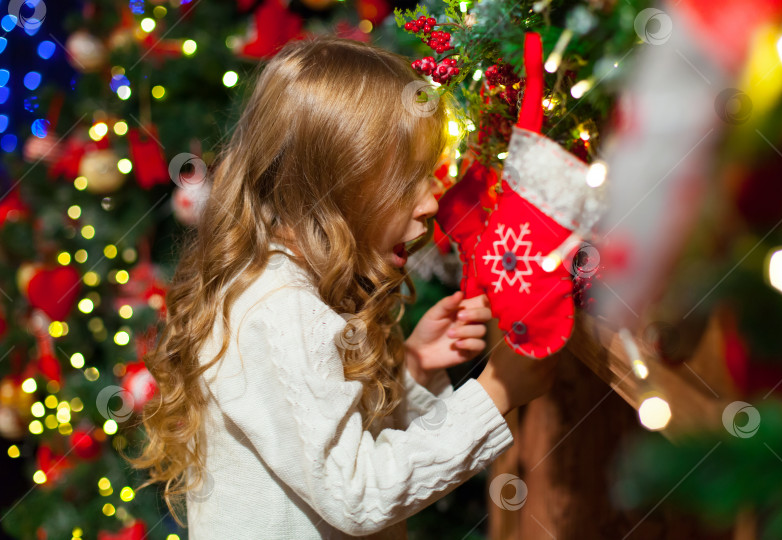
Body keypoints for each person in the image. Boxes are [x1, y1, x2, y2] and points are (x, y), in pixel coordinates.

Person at [128, 34, 556, 539]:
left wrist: (410, 375)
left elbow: (326, 447)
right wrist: (494, 393)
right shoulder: (282, 309)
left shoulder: (282, 286)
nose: (431, 201)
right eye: (408, 180)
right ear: (335, 185)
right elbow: (358, 494)